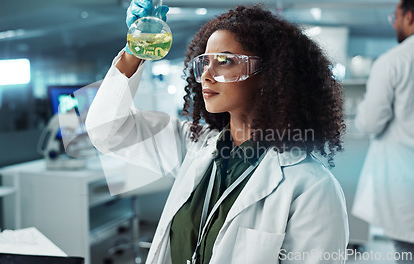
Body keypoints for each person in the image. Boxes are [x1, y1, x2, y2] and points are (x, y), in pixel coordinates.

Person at [86, 2, 349, 263]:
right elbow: (107, 129)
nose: (207, 76)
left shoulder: (312, 187)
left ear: (270, 75)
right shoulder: (195, 145)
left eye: (224, 62)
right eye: (205, 63)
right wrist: (136, 50)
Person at [352, 0, 414, 262]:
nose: (395, 23)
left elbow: (370, 122)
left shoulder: (393, 61)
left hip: (405, 183)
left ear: (410, 16)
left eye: (396, 17)